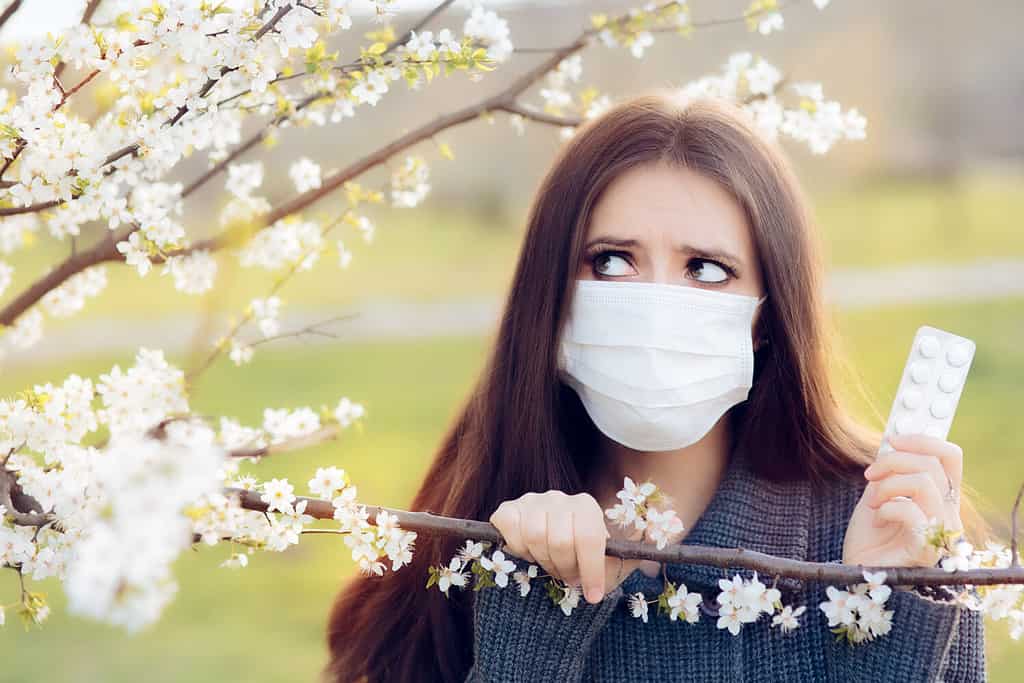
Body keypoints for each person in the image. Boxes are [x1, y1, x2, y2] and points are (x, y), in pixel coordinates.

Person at [322, 91, 989, 683]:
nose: (655, 304)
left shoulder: (883, 529)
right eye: (611, 261)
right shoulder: (471, 548)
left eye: (706, 269)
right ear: (551, 296)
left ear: (766, 317)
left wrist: (891, 600)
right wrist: (530, 631)